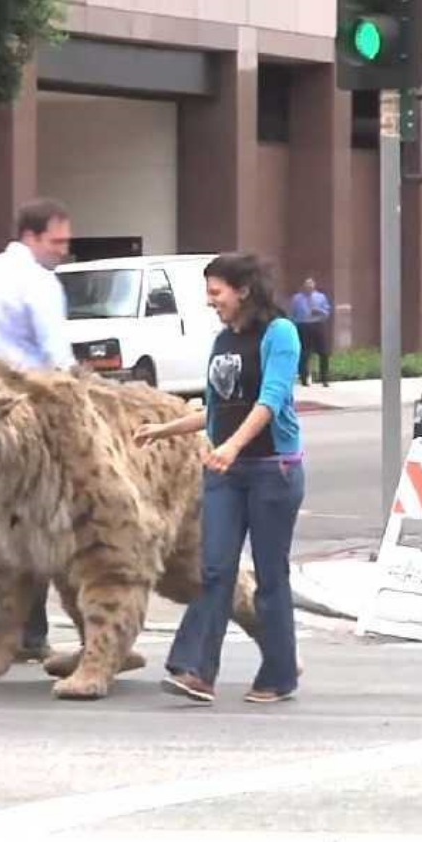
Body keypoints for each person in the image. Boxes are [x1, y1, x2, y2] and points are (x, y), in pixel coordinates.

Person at [135, 252, 303, 705]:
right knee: (214, 569)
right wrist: (164, 429)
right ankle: (196, 671)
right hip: (226, 473)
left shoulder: (279, 334)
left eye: (216, 293)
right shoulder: (223, 342)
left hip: (272, 471)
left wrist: (233, 446)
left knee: (270, 577)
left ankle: (280, 674)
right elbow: (217, 407)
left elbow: (270, 400)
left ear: (243, 290)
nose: (212, 303)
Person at [0, 197, 76, 662]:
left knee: (1, 518)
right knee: (46, 520)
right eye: (57, 242)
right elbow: (55, 352)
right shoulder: (39, 282)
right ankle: (24, 623)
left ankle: (15, 619)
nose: (63, 251)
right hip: (31, 409)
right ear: (32, 236)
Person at [290, 277, 331, 387]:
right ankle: (304, 378)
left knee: (324, 353)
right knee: (304, 353)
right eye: (307, 284)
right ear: (303, 286)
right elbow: (292, 314)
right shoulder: (297, 298)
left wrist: (320, 311)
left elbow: (327, 312)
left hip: (318, 325)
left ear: (314, 285)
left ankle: (324, 379)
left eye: (311, 284)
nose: (309, 286)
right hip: (303, 326)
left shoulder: (321, 297)